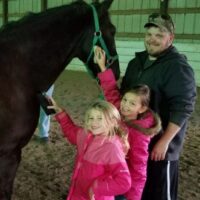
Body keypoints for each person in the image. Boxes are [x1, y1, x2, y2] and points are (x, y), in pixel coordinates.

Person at [120, 13, 196, 200]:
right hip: (136, 143)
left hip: (160, 149)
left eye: (159, 35)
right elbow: (124, 96)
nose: (152, 40)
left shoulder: (178, 67)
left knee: (161, 194)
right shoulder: (136, 63)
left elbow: (183, 108)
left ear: (170, 38)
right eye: (149, 34)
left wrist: (165, 142)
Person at [94, 47, 161, 200]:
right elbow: (111, 91)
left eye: (132, 103)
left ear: (142, 108)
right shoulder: (120, 111)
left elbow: (139, 168)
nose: (125, 105)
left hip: (122, 185)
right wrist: (102, 66)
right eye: (125, 100)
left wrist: (134, 197)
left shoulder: (140, 133)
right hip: (108, 173)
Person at [48, 99, 131, 200]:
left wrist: (97, 188)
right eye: (90, 118)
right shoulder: (85, 134)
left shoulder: (111, 147)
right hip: (78, 192)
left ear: (113, 122)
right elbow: (71, 131)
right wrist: (61, 113)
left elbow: (124, 182)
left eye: (100, 118)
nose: (94, 122)